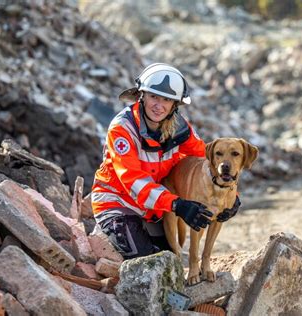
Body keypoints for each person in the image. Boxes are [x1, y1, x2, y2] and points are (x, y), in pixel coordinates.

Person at [91, 63, 239, 259]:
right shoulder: (123, 129)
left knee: (168, 259)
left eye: (167, 100)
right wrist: (178, 205)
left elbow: (208, 160)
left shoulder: (180, 127)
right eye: (153, 97)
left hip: (154, 208)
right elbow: (134, 182)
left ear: (175, 105)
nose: (159, 106)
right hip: (118, 203)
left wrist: (231, 192)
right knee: (144, 259)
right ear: (142, 96)